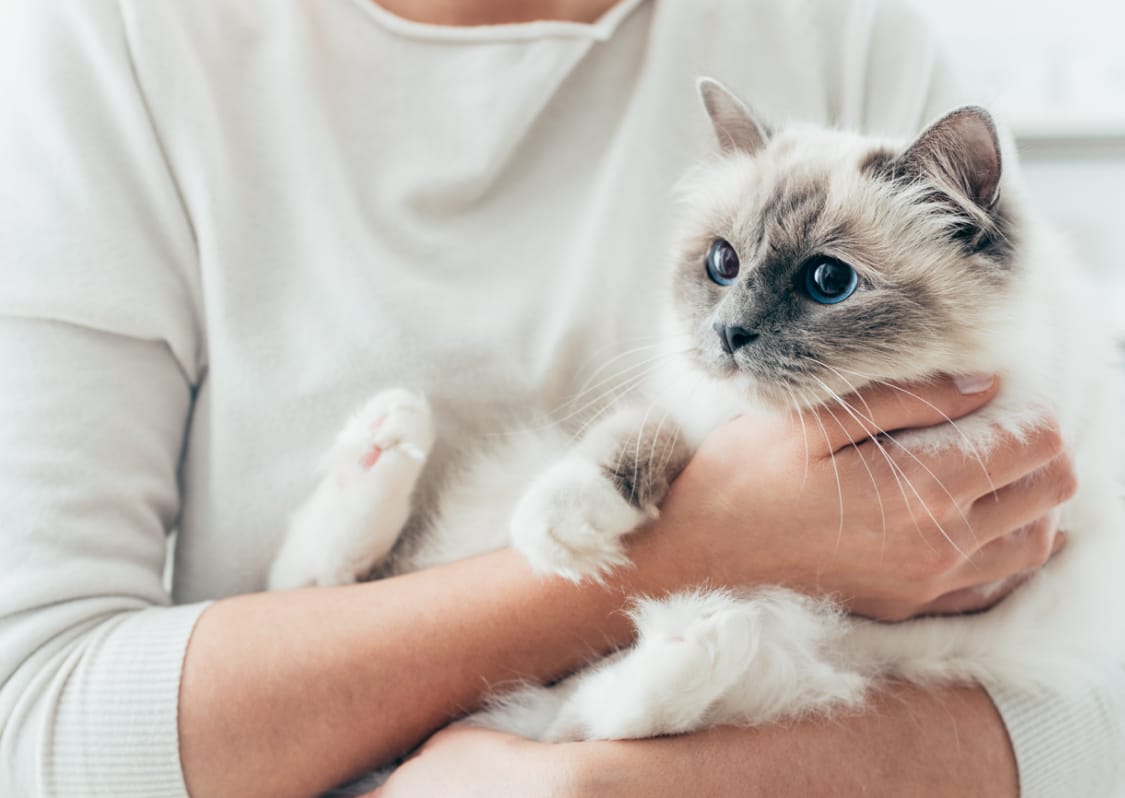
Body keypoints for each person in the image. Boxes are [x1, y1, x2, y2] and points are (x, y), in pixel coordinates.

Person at [0, 1, 1121, 796]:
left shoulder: (850, 40)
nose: (733, 329)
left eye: (825, 284)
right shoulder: (115, 47)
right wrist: (696, 546)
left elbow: (1098, 710)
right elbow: (31, 729)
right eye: (725, 274)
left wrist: (603, 789)